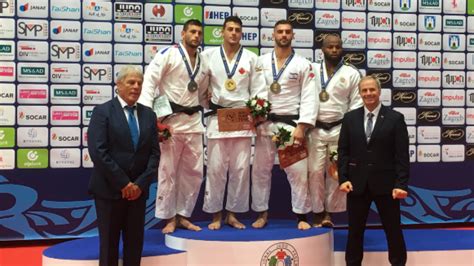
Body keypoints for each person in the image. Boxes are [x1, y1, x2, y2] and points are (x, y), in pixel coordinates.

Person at [138, 19, 209, 234]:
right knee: (168, 172)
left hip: (194, 122)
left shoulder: (203, 61)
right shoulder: (167, 54)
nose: (196, 36)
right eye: (192, 32)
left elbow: (202, 91)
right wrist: (150, 119)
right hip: (170, 123)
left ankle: (183, 215)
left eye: (199, 33)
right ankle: (168, 218)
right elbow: (150, 83)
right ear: (183, 33)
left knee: (193, 172)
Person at [88, 66, 160, 266]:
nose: (136, 87)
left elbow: (154, 155)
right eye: (131, 82)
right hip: (109, 191)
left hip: (138, 193)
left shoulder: (148, 115)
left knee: (134, 245)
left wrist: (139, 185)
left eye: (139, 83)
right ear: (118, 85)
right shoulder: (102, 112)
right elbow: (98, 152)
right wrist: (123, 183)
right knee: (109, 246)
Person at [251, 20, 318, 230]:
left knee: (297, 171)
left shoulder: (303, 64)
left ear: (293, 36)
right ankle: (262, 213)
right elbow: (252, 90)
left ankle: (301, 215)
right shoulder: (260, 62)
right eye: (280, 31)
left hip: (290, 125)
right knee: (260, 171)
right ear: (273, 35)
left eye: (287, 32)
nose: (283, 35)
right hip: (265, 123)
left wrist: (302, 126)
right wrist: (254, 115)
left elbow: (310, 96)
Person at [201, 16, 266, 230]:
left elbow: (258, 89)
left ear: (241, 33)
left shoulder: (251, 58)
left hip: (242, 118)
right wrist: (207, 103)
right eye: (230, 29)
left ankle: (233, 214)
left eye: (238, 29)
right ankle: (215, 215)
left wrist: (257, 110)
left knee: (240, 169)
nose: (234, 33)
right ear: (222, 31)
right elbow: (200, 87)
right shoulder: (208, 56)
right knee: (216, 168)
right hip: (217, 118)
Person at [338, 75, 409, 266]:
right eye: (364, 90)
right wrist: (342, 178)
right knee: (354, 232)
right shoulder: (349, 119)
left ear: (379, 91)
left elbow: (402, 156)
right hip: (356, 184)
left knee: (393, 231)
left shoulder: (395, 119)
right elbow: (343, 151)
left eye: (372, 90)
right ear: (360, 93)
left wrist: (401, 184)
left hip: (387, 186)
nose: (368, 94)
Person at [308, 33, 363, 227]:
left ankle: (329, 213)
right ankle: (317, 210)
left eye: (337, 47)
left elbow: (356, 106)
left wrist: (350, 132)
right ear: (322, 49)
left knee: (335, 173)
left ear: (342, 49)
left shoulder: (351, 73)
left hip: (339, 129)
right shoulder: (311, 70)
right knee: (314, 171)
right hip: (315, 129)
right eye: (330, 47)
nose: (334, 50)